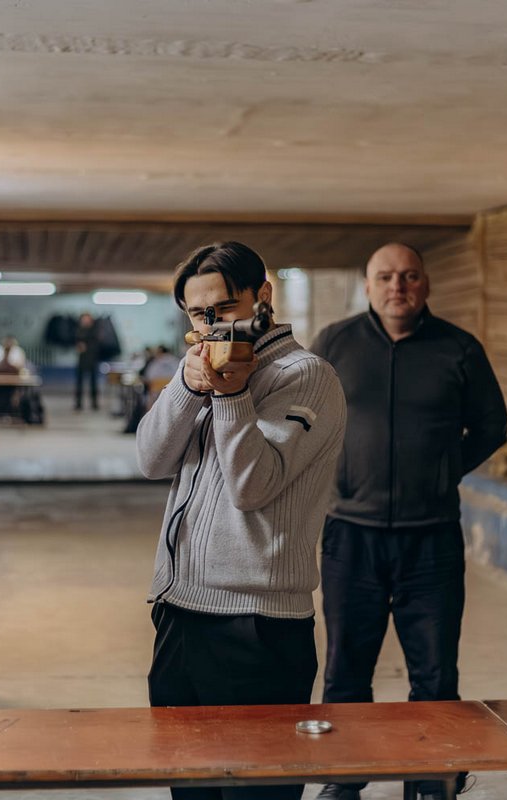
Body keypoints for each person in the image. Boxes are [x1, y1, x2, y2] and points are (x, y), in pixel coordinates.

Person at [136, 241, 346, 800]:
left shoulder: (307, 376)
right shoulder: (199, 368)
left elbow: (253, 486)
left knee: (257, 794)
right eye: (197, 314)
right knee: (190, 791)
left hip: (258, 625)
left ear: (263, 297)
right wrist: (187, 387)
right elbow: (151, 460)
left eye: (225, 308)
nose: (211, 326)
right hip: (180, 612)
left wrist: (231, 396)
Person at [310, 243, 507, 800]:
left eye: (409, 276)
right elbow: (307, 419)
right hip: (351, 535)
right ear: (368, 286)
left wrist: (443, 471)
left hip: (432, 537)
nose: (398, 286)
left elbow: (492, 426)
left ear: (425, 285)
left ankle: (429, 779)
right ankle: (344, 778)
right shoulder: (335, 343)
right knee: (346, 668)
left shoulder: (459, 349)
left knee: (436, 673)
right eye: (386, 277)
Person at [74, 312, 100, 410]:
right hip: (82, 359)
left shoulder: (95, 330)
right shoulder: (79, 330)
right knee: (79, 382)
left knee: (93, 382)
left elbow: (98, 345)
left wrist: (87, 347)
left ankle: (94, 402)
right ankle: (78, 403)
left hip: (92, 359)